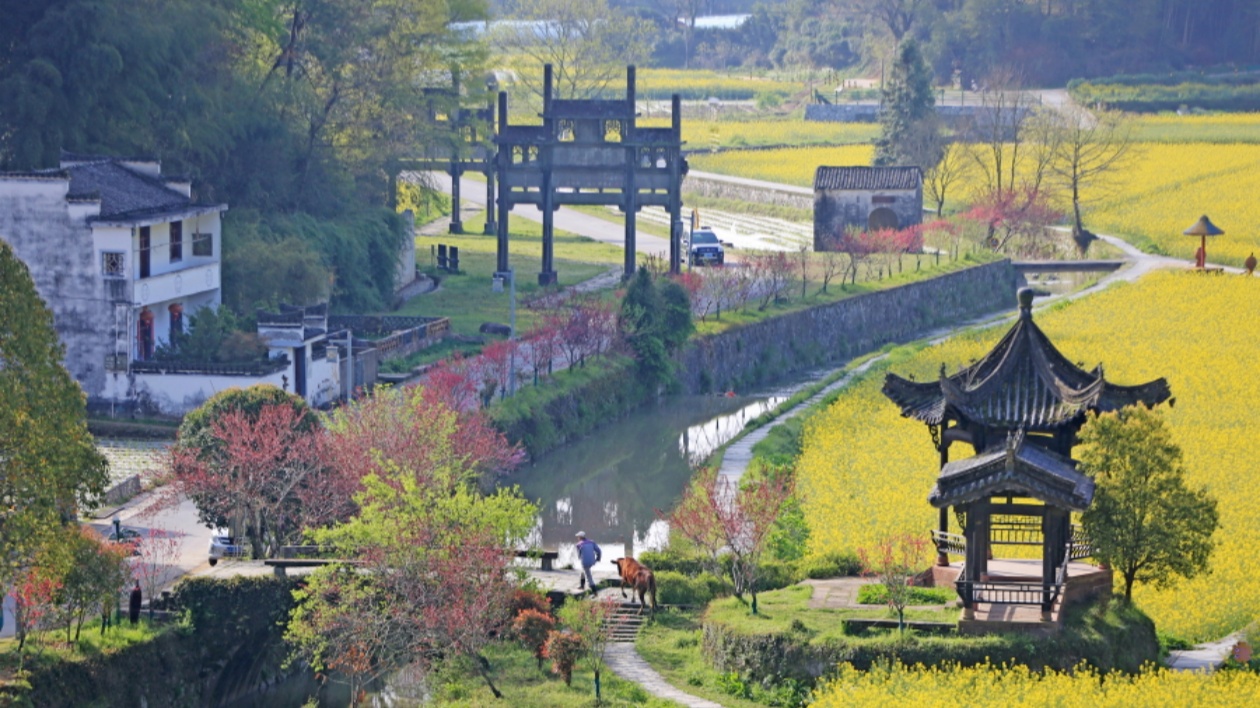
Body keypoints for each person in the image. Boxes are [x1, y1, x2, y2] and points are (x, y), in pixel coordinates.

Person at [575, 531, 601, 596]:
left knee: (588, 577)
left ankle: (595, 592)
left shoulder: (578, 545)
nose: (577, 538)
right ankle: (582, 586)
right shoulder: (592, 542)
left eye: (578, 537)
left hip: (585, 562)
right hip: (592, 561)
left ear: (580, 537)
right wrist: (598, 558)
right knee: (582, 571)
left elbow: (579, 556)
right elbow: (599, 551)